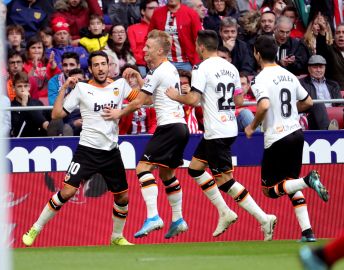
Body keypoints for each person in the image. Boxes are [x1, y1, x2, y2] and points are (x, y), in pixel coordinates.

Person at [166, 30, 277, 240]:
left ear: (200, 46)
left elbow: (192, 99)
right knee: (195, 169)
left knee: (226, 182)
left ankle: (264, 218)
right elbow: (239, 102)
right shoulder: (231, 68)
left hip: (216, 132)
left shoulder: (201, 68)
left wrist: (175, 96)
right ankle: (224, 212)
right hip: (227, 128)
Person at [22, 51, 137, 246]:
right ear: (90, 69)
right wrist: (64, 88)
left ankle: (117, 236)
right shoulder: (82, 89)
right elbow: (57, 114)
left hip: (111, 152)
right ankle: (35, 228)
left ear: (109, 66)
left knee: (123, 196)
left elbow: (145, 100)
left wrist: (138, 81)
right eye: (96, 65)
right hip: (87, 151)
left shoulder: (120, 85)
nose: (100, 68)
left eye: (103, 64)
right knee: (66, 192)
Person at [103, 30, 190, 239]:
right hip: (180, 127)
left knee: (143, 168)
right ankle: (178, 219)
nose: (144, 50)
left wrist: (118, 112)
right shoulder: (168, 69)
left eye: (148, 48)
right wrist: (139, 78)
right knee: (167, 174)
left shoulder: (159, 71)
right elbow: (152, 99)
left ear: (160, 50)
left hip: (168, 127)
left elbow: (139, 102)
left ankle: (153, 216)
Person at [245, 35, 329, 242]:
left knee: (269, 191)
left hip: (277, 137)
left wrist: (251, 126)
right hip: (296, 133)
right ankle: (308, 231)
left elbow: (264, 105)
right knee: (291, 183)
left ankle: (308, 180)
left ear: (256, 53)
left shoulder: (260, 78)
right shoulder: (289, 76)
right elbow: (308, 102)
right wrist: (291, 109)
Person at [149, 0, 202, 71]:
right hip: (163, 62)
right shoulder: (157, 13)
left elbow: (199, 40)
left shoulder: (191, 14)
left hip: (186, 62)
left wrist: (196, 64)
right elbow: (150, 38)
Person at [299, 55, 342, 130]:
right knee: (318, 103)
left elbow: (340, 104)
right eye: (315, 67)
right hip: (312, 115)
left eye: (321, 67)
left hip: (333, 116)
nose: (318, 70)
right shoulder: (301, 83)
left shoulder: (333, 84)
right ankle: (328, 132)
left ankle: (331, 129)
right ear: (309, 69)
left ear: (325, 68)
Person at [10, 71, 50, 137]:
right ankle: (46, 125)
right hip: (22, 141)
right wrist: (24, 106)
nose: (23, 89)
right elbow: (17, 132)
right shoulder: (11, 107)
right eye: (19, 86)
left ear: (29, 87)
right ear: (14, 88)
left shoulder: (38, 103)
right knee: (32, 106)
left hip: (40, 139)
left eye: (25, 86)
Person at [127, 0, 159, 77]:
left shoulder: (162, 28)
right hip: (141, 65)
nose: (155, 11)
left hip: (159, 64)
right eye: (151, 8)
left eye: (157, 8)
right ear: (143, 11)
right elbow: (133, 51)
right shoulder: (132, 29)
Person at [316, 21, 344, 89]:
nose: (341, 35)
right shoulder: (329, 50)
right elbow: (321, 50)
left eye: (343, 32)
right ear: (334, 36)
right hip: (335, 92)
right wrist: (322, 32)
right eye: (337, 33)